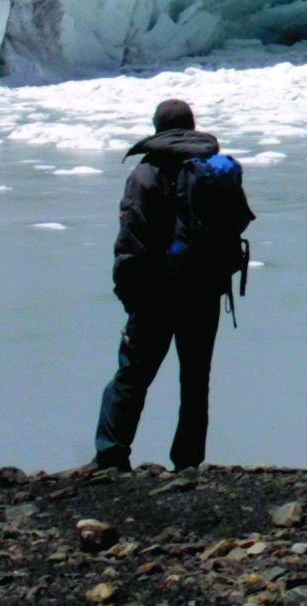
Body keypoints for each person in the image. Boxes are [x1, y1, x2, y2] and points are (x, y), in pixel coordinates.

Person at [89, 98, 251, 472]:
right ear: (192, 126)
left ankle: (112, 454)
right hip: (207, 291)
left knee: (132, 375)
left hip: (156, 295)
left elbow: (132, 239)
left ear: (157, 127)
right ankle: (188, 460)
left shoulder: (147, 172)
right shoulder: (212, 170)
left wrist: (128, 293)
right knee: (195, 380)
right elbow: (238, 221)